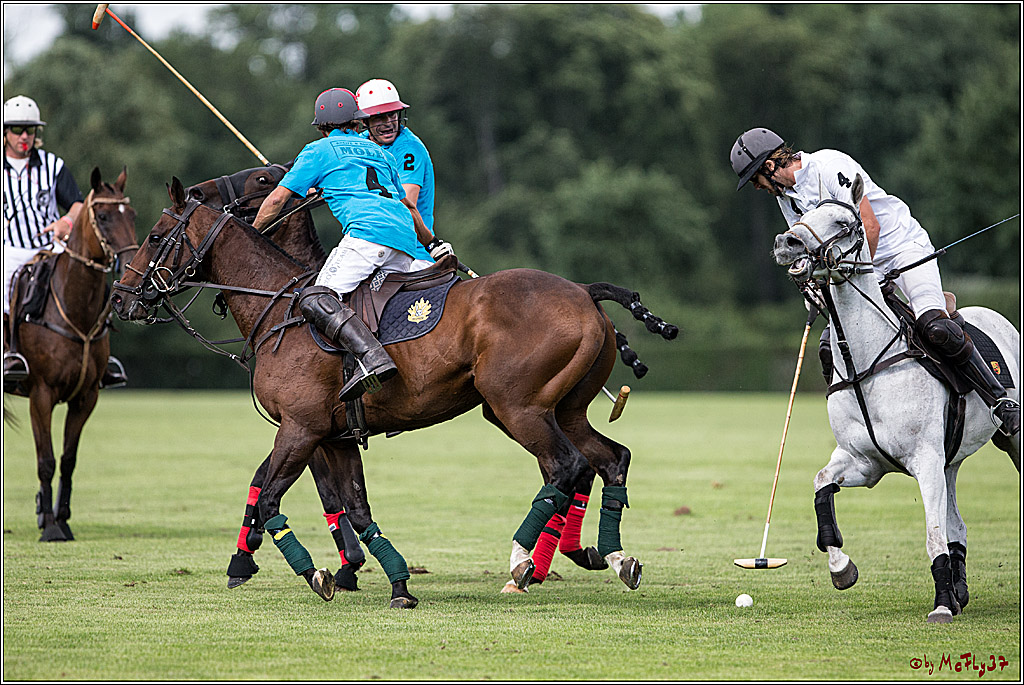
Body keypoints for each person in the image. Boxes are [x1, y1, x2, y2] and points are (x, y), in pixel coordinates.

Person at [731, 127, 1019, 437]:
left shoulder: (830, 166)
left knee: (934, 326)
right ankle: (861, 425)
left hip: (901, 248)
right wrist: (813, 285)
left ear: (770, 166)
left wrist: (860, 276)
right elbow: (807, 247)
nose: (757, 188)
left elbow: (870, 225)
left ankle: (1001, 402)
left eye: (755, 179)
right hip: (860, 266)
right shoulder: (785, 198)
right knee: (830, 344)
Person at [252, 87, 453, 402]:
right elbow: (410, 209)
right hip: (404, 244)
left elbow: (278, 199)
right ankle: (367, 367)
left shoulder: (318, 150)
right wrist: (434, 243)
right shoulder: (382, 153)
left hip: (367, 238)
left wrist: (254, 234)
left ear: (321, 127)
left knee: (316, 297)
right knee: (365, 303)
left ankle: (373, 360)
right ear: (359, 122)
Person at [2, 95, 127, 389]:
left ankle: (102, 355)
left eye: (30, 131)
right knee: (5, 294)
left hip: (51, 246)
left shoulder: (52, 165)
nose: (24, 137)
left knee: (90, 278)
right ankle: (11, 354)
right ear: (5, 131)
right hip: (10, 248)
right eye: (18, 130)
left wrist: (65, 222)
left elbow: (77, 203)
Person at [354, 78, 436, 270]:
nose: (389, 123)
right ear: (365, 121)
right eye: (379, 118)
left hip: (413, 254)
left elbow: (407, 207)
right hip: (377, 248)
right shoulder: (362, 142)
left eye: (392, 115)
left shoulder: (409, 149)